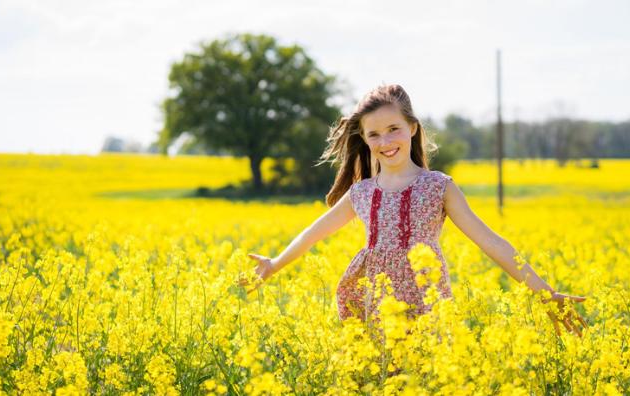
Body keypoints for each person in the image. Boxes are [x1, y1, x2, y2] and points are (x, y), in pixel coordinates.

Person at [240, 84, 588, 337]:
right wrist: (273, 265)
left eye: (393, 129)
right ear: (364, 140)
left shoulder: (439, 186)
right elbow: (312, 234)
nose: (385, 141)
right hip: (373, 296)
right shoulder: (361, 192)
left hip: (425, 293)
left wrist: (545, 292)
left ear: (412, 128)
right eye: (374, 134)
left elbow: (490, 241)